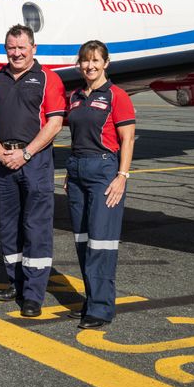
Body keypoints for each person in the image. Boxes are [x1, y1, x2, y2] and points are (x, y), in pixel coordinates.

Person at [0, 24, 65, 318]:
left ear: (33, 49)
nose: (16, 53)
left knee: (36, 227)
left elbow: (54, 123)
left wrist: (26, 153)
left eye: (22, 48)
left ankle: (34, 294)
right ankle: (16, 282)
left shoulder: (48, 79)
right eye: (11, 48)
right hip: (3, 160)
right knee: (9, 226)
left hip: (34, 160)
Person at [65, 40, 135, 329]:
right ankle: (91, 299)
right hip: (77, 168)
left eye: (95, 61)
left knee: (101, 242)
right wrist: (71, 172)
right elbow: (76, 137)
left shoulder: (117, 96)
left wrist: (122, 176)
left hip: (105, 170)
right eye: (85, 61)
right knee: (83, 241)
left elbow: (127, 139)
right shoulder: (77, 97)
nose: (89, 66)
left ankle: (101, 308)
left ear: (106, 63)